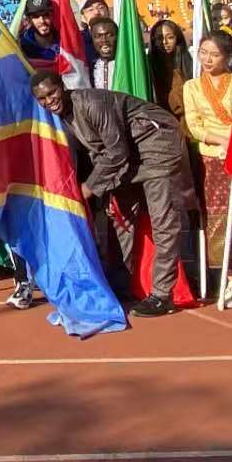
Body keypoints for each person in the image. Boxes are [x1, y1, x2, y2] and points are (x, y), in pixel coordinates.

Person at [31, 70, 190, 317]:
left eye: (52, 93)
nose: (49, 101)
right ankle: (121, 282)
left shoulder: (92, 103)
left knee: (163, 221)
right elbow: (100, 152)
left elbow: (116, 152)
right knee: (119, 216)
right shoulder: (64, 116)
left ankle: (162, 295)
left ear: (62, 86)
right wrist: (103, 189)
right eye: (42, 99)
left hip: (157, 147)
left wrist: (90, 187)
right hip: (130, 159)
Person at [181, 31, 232, 302]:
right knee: (217, 215)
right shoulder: (191, 87)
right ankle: (226, 276)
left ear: (228, 57)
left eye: (215, 54)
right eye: (203, 52)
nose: (207, 59)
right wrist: (221, 140)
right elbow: (194, 125)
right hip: (210, 157)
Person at [147, 19, 191, 120]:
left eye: (170, 37)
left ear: (177, 38)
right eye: (159, 38)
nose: (164, 42)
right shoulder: (148, 68)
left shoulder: (188, 65)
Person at [89, 18, 118, 89]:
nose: (104, 40)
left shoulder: (127, 65)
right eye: (98, 36)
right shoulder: (89, 68)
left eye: (109, 35)